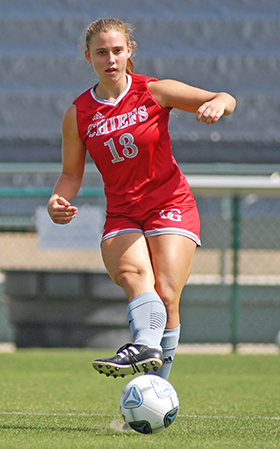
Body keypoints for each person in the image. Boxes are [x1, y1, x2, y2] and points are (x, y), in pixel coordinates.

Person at [47, 18, 236, 380]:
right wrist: (58, 199)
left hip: (170, 203)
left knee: (166, 295)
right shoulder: (78, 114)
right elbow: (71, 174)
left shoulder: (154, 91)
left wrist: (217, 105)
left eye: (117, 50)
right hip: (123, 213)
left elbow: (224, 98)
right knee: (133, 275)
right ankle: (147, 350)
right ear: (88, 57)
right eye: (101, 52)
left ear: (129, 51)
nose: (111, 59)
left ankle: (155, 385)